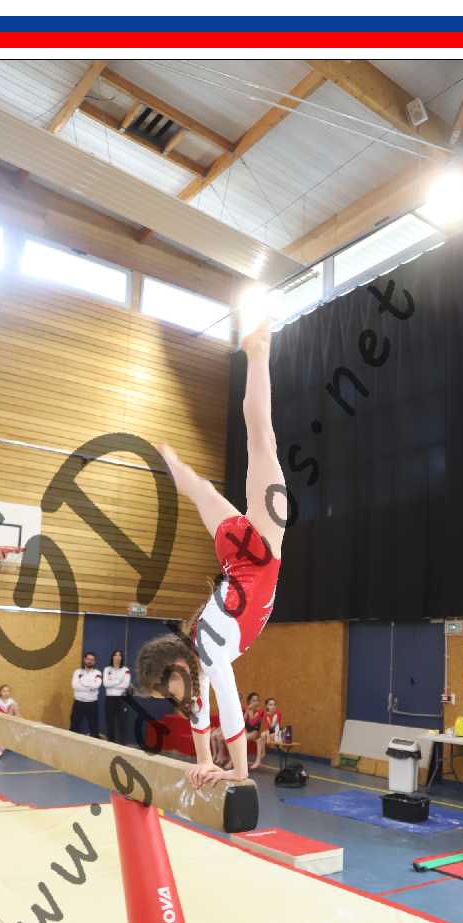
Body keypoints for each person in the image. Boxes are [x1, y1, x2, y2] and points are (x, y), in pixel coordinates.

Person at [135, 316, 283, 786]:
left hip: (260, 552)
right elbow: (199, 707)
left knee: (262, 439)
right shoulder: (196, 649)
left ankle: (259, 351)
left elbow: (229, 707)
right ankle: (178, 470)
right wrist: (203, 760)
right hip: (234, 555)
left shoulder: (208, 649)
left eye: (167, 690)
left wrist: (237, 772)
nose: (172, 699)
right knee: (205, 489)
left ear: (177, 666)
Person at [70, 651, 102, 737]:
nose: (90, 661)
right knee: (74, 727)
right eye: (88, 659)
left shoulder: (98, 673)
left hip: (92, 704)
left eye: (92, 660)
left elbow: (97, 685)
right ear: (84, 660)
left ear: (94, 662)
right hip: (78, 703)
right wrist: (90, 687)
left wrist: (82, 682)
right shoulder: (77, 672)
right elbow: (74, 685)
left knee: (94, 729)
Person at [103, 649, 131, 743]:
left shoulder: (126, 670)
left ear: (121, 658)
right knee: (110, 723)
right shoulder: (107, 669)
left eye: (119, 655)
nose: (117, 657)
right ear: (113, 657)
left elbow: (125, 685)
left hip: (121, 700)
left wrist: (112, 683)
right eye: (115, 655)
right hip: (109, 699)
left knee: (122, 723)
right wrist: (119, 681)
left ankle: (122, 745)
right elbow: (105, 684)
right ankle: (111, 744)